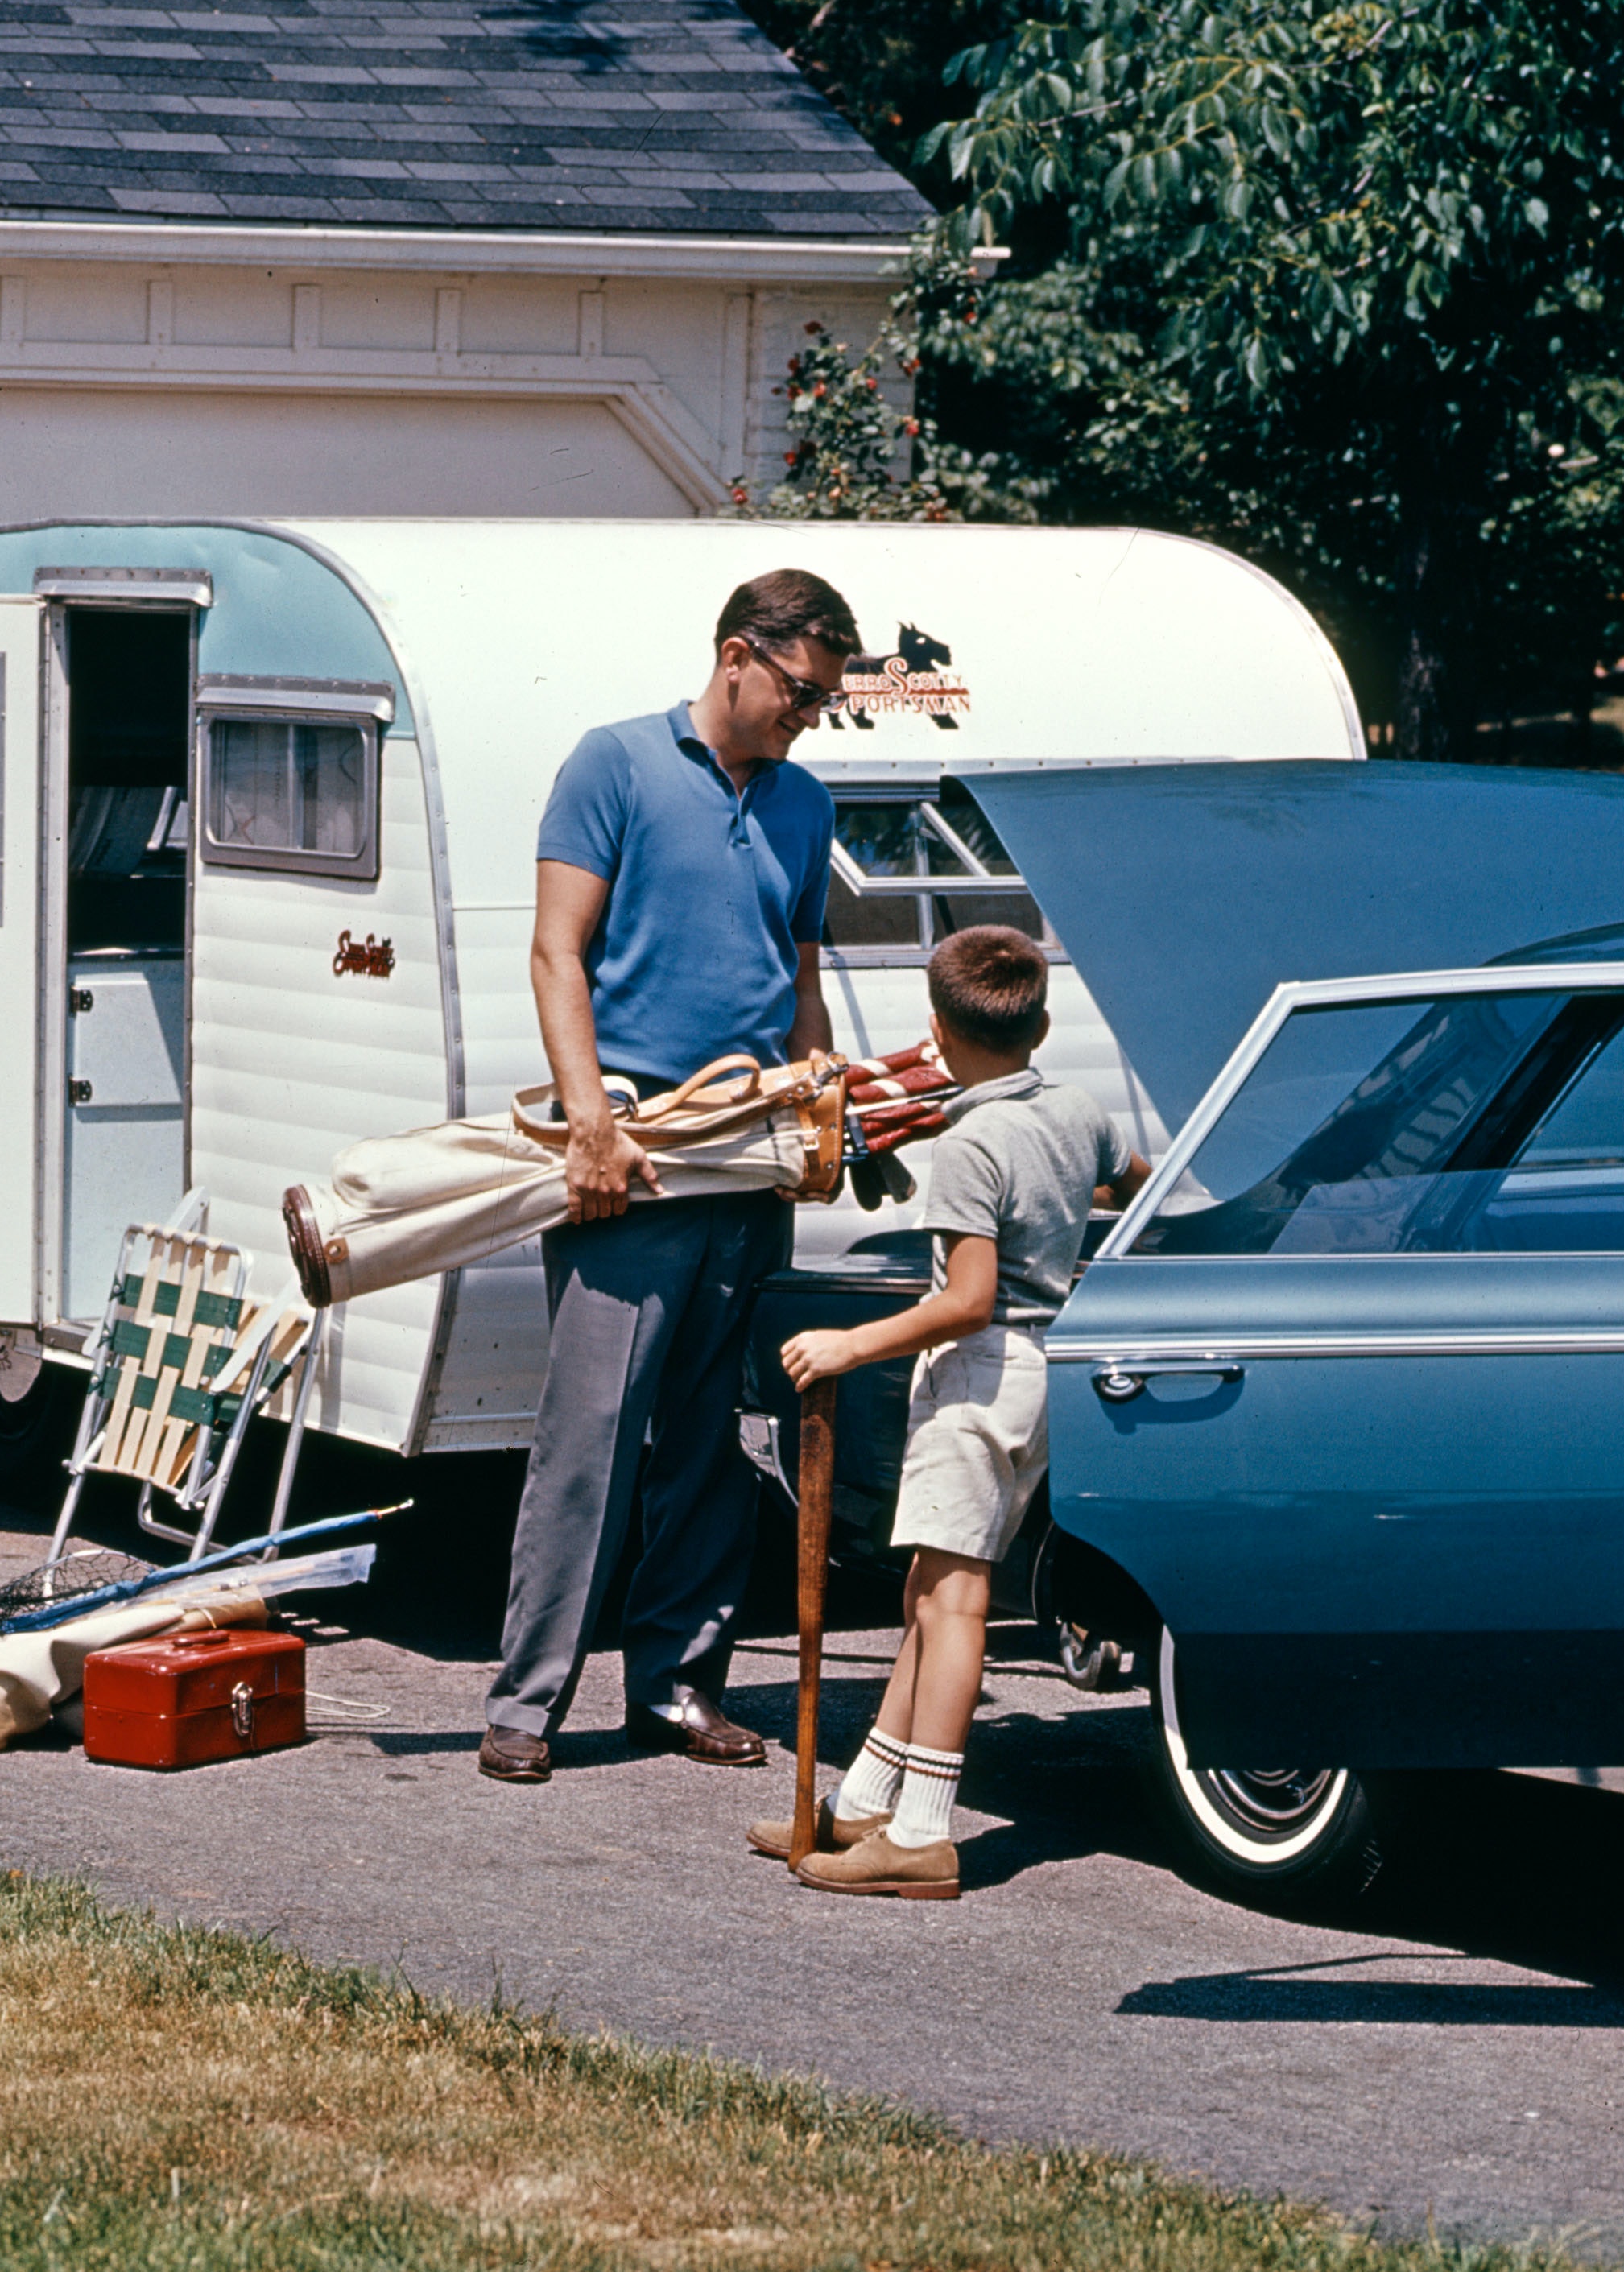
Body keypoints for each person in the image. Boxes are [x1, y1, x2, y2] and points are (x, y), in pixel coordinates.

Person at [481, 564, 858, 1785]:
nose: (807, 717)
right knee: (589, 1436)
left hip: (747, 1155)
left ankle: (676, 1683)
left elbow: (795, 974)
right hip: (632, 1153)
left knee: (709, 1438)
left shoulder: (803, 803)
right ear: (738, 653)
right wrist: (588, 1122)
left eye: (822, 705)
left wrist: (817, 1105)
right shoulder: (615, 765)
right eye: (800, 692)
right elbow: (554, 952)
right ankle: (525, 1700)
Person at [763, 923, 1139, 1896]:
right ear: (1043, 1023)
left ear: (934, 1028)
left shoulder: (972, 1145)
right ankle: (862, 1806)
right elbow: (1129, 1181)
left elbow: (965, 1297)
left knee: (956, 1597)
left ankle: (925, 1832)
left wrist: (851, 1344)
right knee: (926, 1591)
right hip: (1040, 1371)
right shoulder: (1072, 1106)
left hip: (978, 1371)